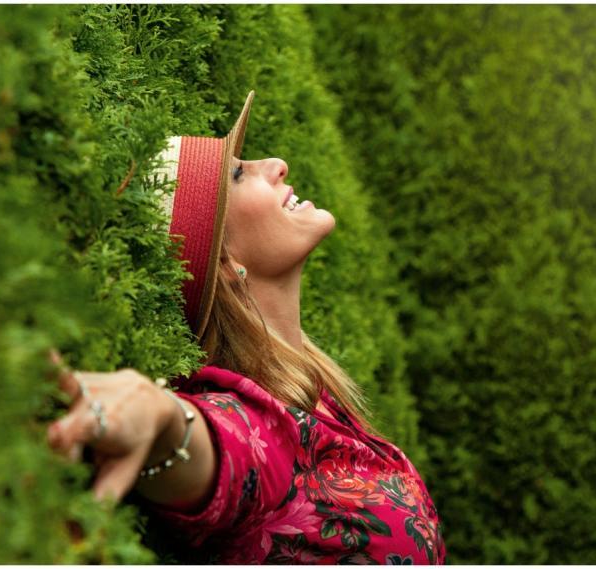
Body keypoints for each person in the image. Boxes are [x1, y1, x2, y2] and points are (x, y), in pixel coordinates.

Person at [46, 91, 447, 564]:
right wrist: (160, 417)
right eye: (238, 174)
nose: (277, 164)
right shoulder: (254, 425)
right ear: (223, 264)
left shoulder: (312, 391)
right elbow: (218, 447)